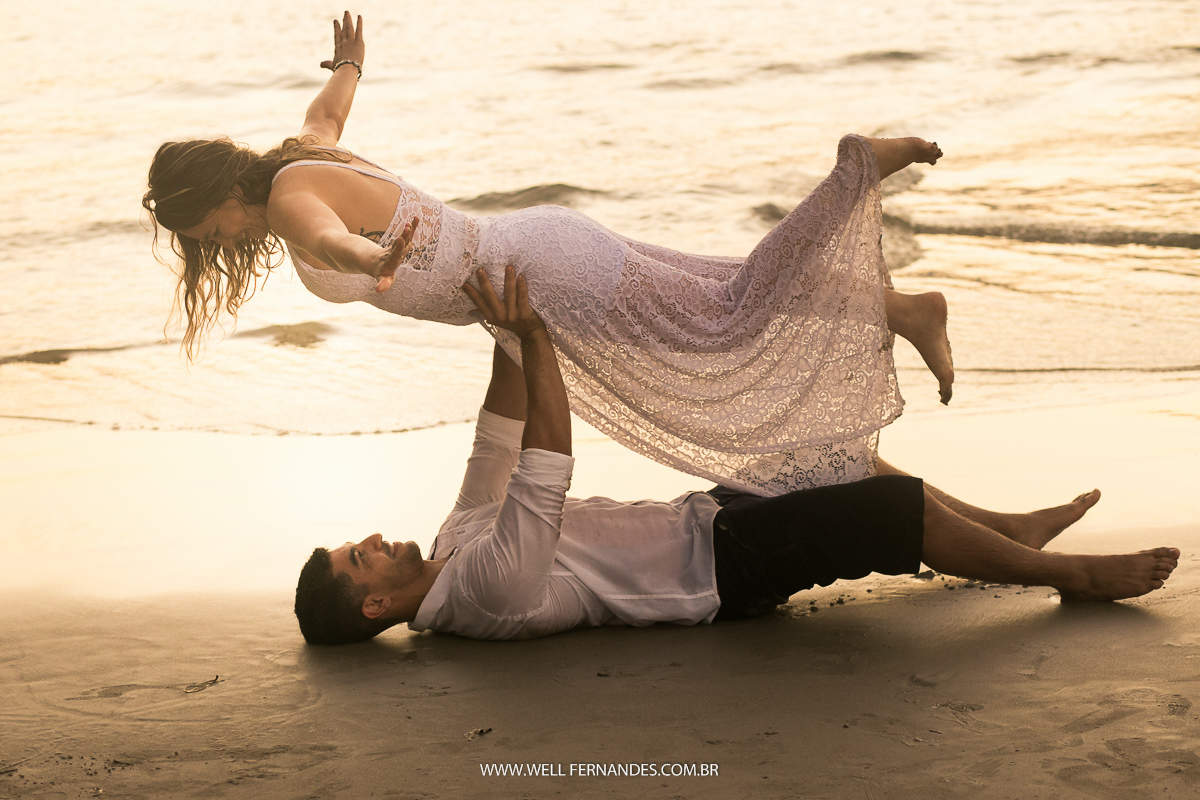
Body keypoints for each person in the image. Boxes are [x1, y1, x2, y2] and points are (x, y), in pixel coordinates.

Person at [143, 13, 953, 497]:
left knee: (725, 326)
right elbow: (331, 110)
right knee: (729, 294)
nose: (220, 243)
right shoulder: (298, 154)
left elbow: (325, 235)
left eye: (207, 230)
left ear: (216, 194)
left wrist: (364, 260)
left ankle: (856, 169)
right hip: (542, 247)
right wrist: (351, 61)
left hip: (546, 278)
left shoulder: (288, 201)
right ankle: (907, 308)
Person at [292, 267, 1179, 645]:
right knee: (886, 513)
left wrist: (499, 310)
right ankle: (1070, 578)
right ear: (374, 603)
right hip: (716, 577)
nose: (375, 538)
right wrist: (539, 336)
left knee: (829, 453)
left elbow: (500, 432)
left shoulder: (451, 543)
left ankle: (1009, 528)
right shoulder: (477, 591)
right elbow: (545, 468)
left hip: (698, 523)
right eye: (360, 555)